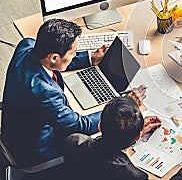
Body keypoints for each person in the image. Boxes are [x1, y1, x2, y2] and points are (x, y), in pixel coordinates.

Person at [1, 19, 146, 167]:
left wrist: (90, 58)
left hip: (13, 127)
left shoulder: (27, 45)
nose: (74, 55)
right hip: (35, 150)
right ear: (54, 57)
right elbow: (80, 125)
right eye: (73, 53)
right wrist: (123, 108)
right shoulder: (44, 93)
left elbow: (54, 62)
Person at [64, 96, 182, 180]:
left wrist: (128, 132)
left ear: (100, 126)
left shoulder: (74, 141)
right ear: (139, 136)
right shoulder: (133, 176)